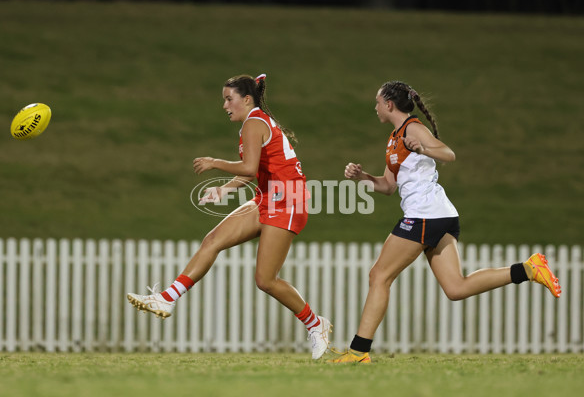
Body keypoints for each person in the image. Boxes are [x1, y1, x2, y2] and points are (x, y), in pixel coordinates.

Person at [330, 80, 561, 363]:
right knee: (456, 288)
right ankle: (528, 269)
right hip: (439, 215)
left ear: (389, 104)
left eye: (377, 102)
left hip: (424, 215)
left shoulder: (413, 129)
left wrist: (423, 149)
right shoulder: (394, 138)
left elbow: (448, 154)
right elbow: (389, 185)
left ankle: (358, 351)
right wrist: (362, 177)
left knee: (379, 275)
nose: (375, 107)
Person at [127, 74, 331, 359]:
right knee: (212, 240)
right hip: (268, 198)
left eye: (228, 99)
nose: (225, 105)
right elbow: (254, 171)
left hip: (288, 201)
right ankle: (167, 299)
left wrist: (213, 163)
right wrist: (224, 190)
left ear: (246, 100)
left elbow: (248, 167)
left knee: (266, 280)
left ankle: (315, 324)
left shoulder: (254, 124)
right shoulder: (254, 123)